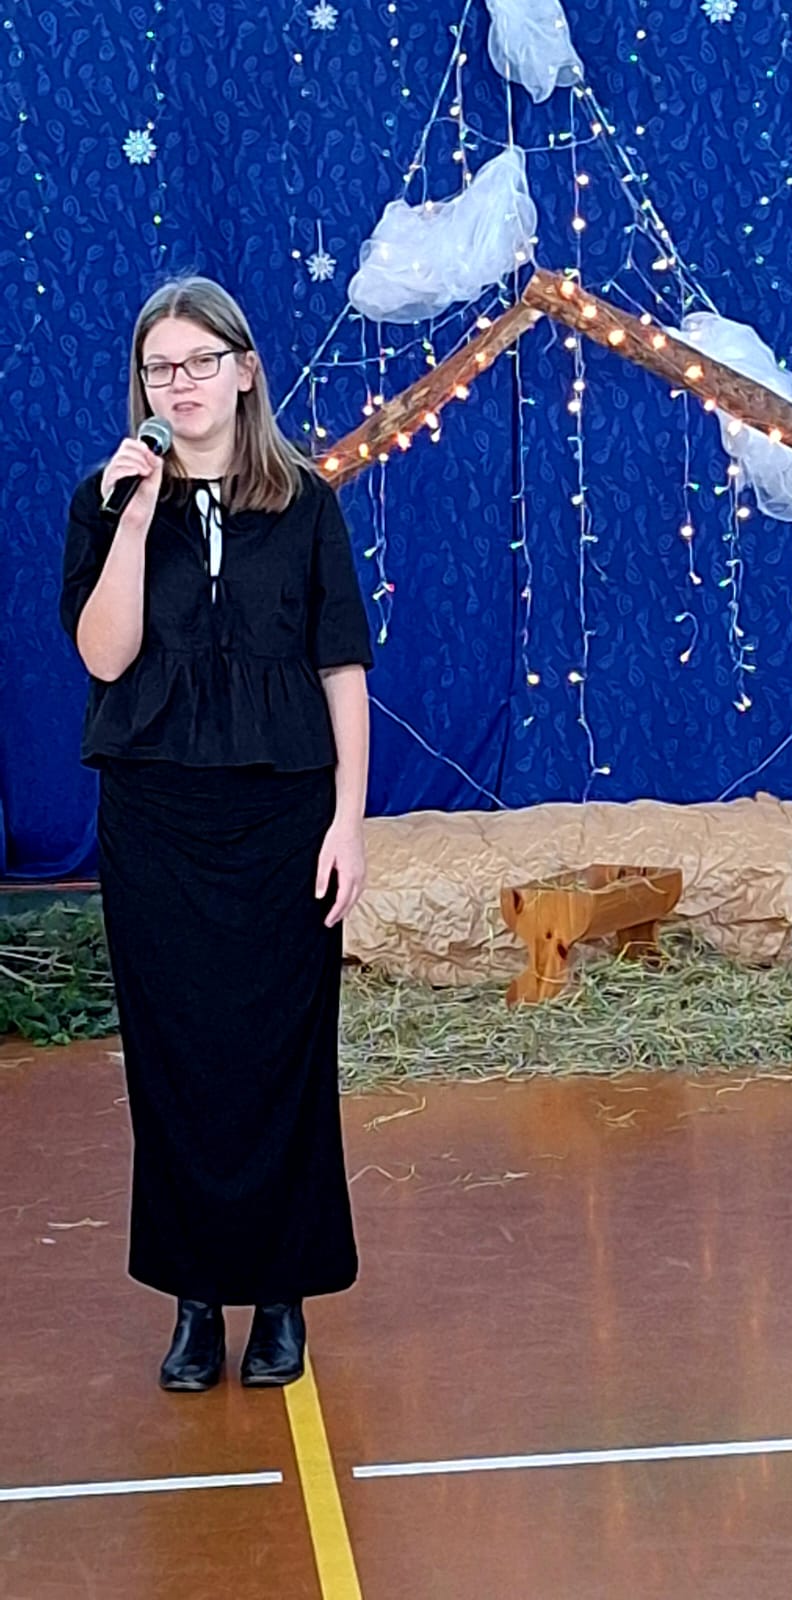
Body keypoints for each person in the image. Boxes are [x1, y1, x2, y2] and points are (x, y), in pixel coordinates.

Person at [60, 277, 374, 1391]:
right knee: (177, 1061)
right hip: (156, 818)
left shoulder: (306, 503)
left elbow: (341, 667)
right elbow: (104, 655)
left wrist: (348, 822)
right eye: (159, 368)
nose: (179, 384)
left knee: (282, 1056)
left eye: (200, 361)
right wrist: (134, 516)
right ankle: (195, 1299)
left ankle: (281, 1294)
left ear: (245, 370)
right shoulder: (105, 500)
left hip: (282, 815)